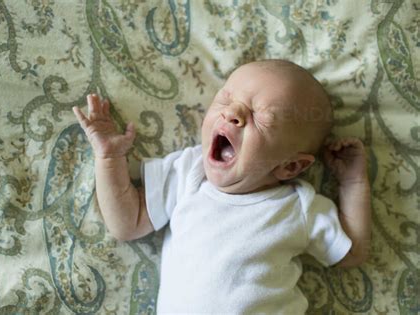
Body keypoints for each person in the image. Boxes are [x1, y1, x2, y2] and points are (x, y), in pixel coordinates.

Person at [73, 60, 371, 314]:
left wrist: (353, 182)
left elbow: (352, 253)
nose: (233, 113)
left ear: (291, 166)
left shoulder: (298, 206)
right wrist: (109, 157)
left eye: (261, 116)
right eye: (226, 99)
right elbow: (127, 223)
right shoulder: (189, 172)